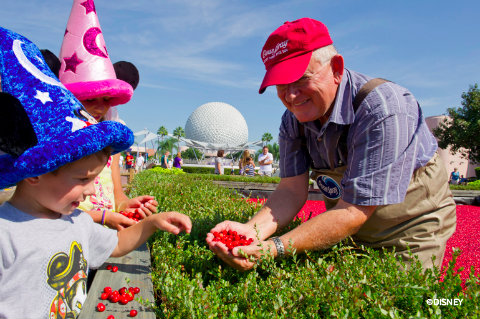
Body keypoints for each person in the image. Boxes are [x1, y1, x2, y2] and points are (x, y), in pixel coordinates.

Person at [207, 18, 456, 271]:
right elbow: (291, 190)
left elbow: (353, 212)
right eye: (281, 84)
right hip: (346, 228)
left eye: (301, 78)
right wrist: (251, 231)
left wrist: (274, 248)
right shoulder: (293, 120)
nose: (291, 96)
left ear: (336, 68)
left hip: (409, 231)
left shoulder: (384, 109)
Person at [0, 27, 192, 319]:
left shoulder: (76, 221)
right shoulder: (6, 233)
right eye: (82, 180)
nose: (91, 190)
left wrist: (152, 223)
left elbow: (116, 245)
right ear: (35, 172)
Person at [49, 0, 159, 230]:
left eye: (106, 99)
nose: (99, 107)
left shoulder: (110, 136)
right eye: (89, 99)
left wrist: (128, 205)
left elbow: (117, 198)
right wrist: (101, 217)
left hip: (101, 236)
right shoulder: (54, 140)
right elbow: (49, 210)